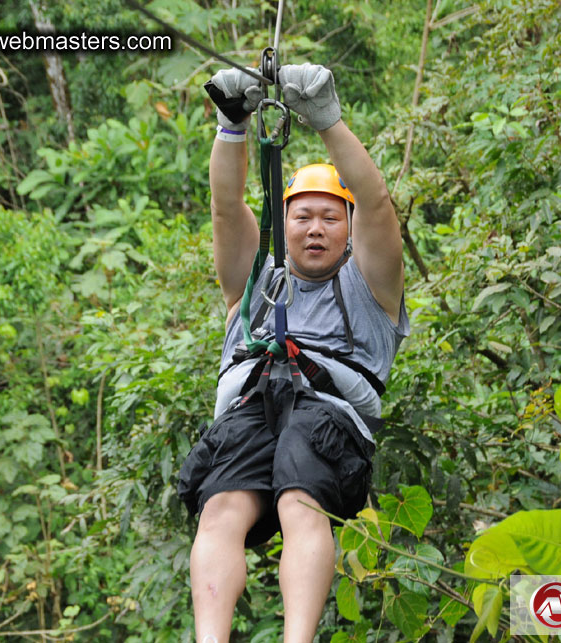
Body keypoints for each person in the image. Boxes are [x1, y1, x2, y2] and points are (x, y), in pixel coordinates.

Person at [177, 62, 409, 643]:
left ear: (349, 230)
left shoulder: (370, 284)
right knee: (221, 508)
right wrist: (233, 126)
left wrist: (327, 121)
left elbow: (377, 202)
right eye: (301, 216)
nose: (314, 228)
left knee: (301, 501)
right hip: (251, 402)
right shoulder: (253, 278)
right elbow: (227, 208)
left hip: (326, 410)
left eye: (330, 217)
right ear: (281, 224)